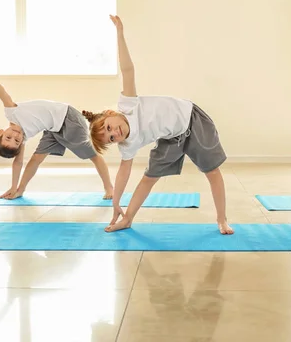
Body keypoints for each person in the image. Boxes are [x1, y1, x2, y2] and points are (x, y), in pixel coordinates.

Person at [82, 15, 234, 234]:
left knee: (212, 171)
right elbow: (123, 173)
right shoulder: (128, 145)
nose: (115, 133)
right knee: (149, 178)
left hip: (192, 119)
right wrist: (116, 203)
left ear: (109, 114)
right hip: (171, 138)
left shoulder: (128, 103)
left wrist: (120, 34)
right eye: (112, 138)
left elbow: (127, 70)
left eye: (109, 128)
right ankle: (127, 219)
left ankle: (222, 219)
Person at [0, 56, 114, 200]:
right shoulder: (22, 137)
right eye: (16, 142)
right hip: (53, 129)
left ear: (0, 132)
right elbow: (18, 162)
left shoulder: (12, 112)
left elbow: (0, 91)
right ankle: (21, 190)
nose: (15, 136)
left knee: (92, 155)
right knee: (35, 159)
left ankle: (109, 187)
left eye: (8, 137)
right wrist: (14, 187)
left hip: (68, 119)